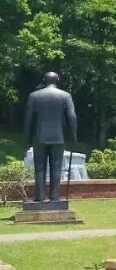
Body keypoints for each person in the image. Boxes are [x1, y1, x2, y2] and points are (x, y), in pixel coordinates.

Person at [23, 72, 78, 203]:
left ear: (43, 80)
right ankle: (55, 197)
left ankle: (40, 197)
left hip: (39, 136)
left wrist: (27, 137)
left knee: (39, 168)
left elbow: (28, 119)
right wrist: (74, 135)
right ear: (57, 80)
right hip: (58, 137)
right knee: (56, 167)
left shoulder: (34, 96)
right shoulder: (65, 96)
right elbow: (72, 117)